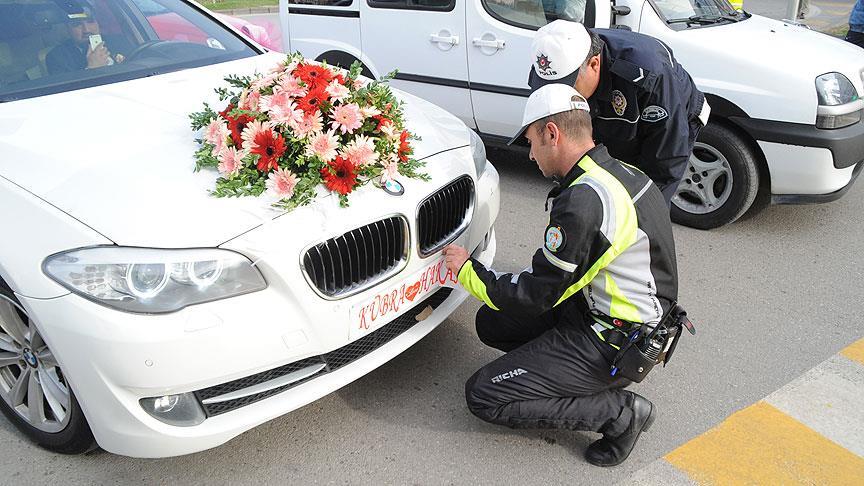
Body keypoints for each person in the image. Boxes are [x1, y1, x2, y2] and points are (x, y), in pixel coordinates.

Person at [443, 83, 680, 467]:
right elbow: (556, 279)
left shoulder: (586, 199)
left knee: (483, 394)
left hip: (612, 343)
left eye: (533, 142)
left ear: (552, 133)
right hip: (611, 315)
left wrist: (468, 271)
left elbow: (536, 295)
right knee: (492, 322)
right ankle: (550, 372)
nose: (531, 154)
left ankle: (619, 413)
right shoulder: (621, 173)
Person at [527, 20, 709, 205]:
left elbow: (665, 160)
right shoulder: (550, 66)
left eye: (568, 85)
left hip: (666, 117)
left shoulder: (647, 75)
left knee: (642, 205)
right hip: (607, 116)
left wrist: (643, 210)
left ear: (594, 64)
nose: (561, 94)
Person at [46, 1, 123, 75]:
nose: (86, 30)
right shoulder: (56, 57)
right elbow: (66, 87)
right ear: (67, 29)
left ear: (98, 23)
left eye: (90, 21)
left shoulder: (119, 42)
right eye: (77, 24)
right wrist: (92, 68)